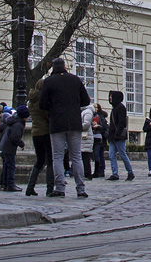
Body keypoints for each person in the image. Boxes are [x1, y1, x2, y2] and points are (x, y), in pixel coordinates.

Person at [38, 57, 91, 198]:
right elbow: (86, 100)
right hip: (74, 121)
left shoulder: (49, 81)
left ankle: (60, 187)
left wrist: (54, 106)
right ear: (65, 66)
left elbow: (42, 104)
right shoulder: (75, 79)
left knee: (58, 157)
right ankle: (81, 188)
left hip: (57, 122)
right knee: (76, 156)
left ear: (53, 67)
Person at [25, 76, 51, 196]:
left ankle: (30, 186)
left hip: (35, 132)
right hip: (45, 132)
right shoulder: (43, 100)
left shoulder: (31, 101)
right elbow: (47, 116)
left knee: (39, 160)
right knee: (50, 160)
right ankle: (50, 188)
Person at [0, 104, 28, 192]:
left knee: (6, 165)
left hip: (5, 145)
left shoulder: (13, 121)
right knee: (10, 166)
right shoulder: (18, 124)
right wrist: (21, 144)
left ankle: (4, 184)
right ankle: (10, 184)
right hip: (9, 147)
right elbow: (15, 137)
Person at [106, 90, 134, 181]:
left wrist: (117, 134)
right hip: (113, 136)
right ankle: (115, 173)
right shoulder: (114, 108)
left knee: (122, 154)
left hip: (118, 136)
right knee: (111, 155)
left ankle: (130, 172)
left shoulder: (120, 107)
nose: (110, 98)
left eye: (111, 96)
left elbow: (122, 123)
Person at [91, 104, 108, 179]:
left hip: (100, 137)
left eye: (95, 107)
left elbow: (104, 128)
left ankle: (99, 171)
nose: (94, 109)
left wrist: (98, 126)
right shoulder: (92, 115)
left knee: (98, 154)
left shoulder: (101, 116)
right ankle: (100, 171)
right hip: (95, 137)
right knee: (99, 154)